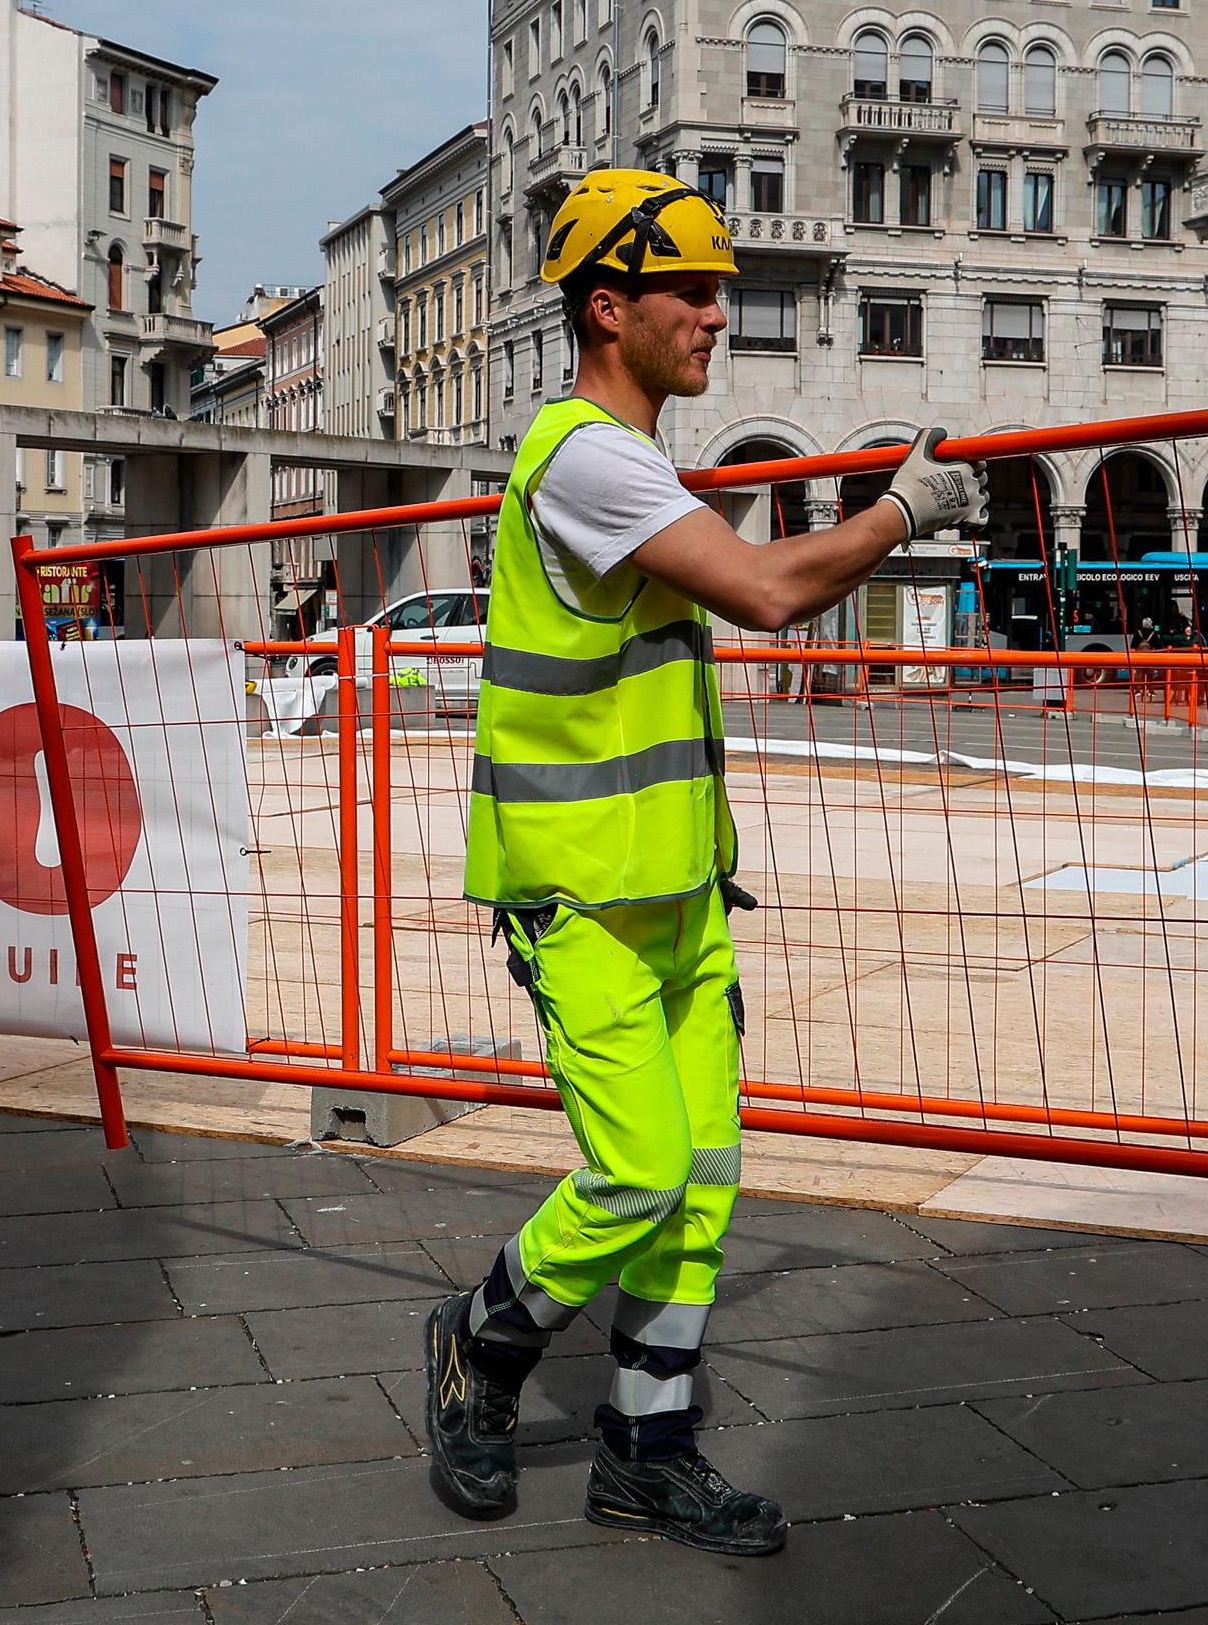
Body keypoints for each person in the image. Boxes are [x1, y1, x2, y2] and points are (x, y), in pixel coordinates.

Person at [423, 169, 985, 1557]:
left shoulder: (638, 469)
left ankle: (645, 1451)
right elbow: (773, 595)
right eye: (695, 289)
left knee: (707, 1179)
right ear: (609, 308)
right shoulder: (586, 458)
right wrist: (907, 506)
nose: (721, 315)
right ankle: (482, 1344)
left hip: (677, 894)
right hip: (582, 899)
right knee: (637, 1175)